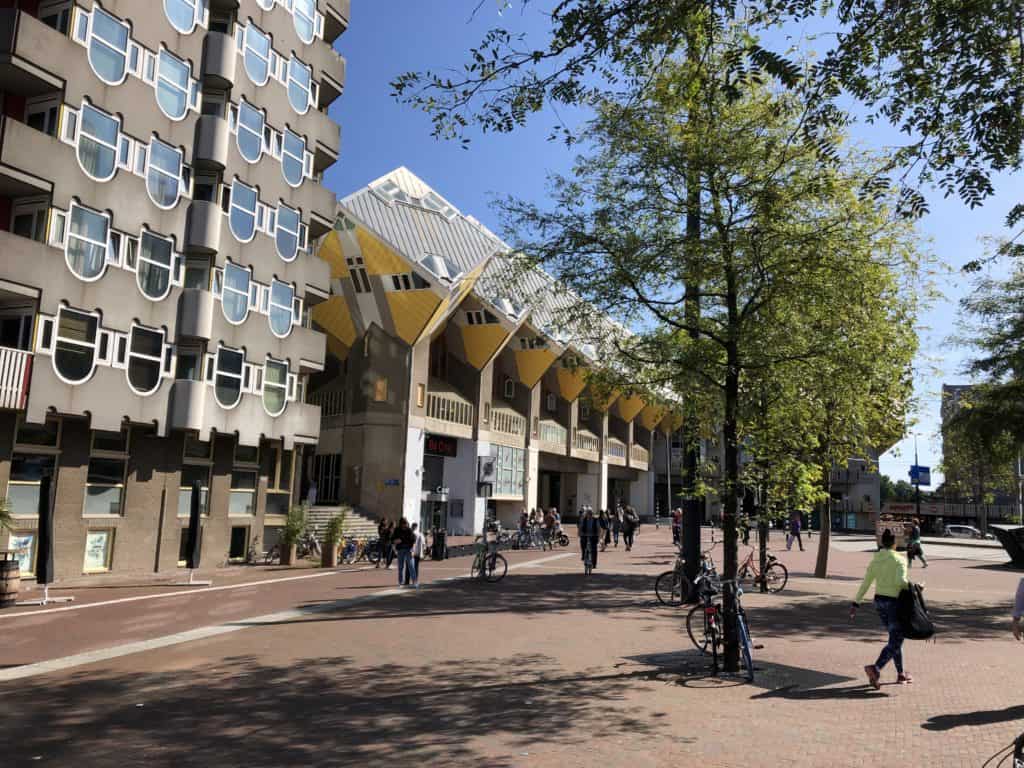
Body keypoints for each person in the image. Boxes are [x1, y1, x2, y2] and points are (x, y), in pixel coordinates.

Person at [850, 529, 911, 688]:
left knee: (895, 638)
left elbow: (866, 582)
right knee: (896, 641)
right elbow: (900, 581)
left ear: (881, 543)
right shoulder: (899, 559)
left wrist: (856, 602)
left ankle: (901, 674)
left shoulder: (875, 559)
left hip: (879, 602)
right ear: (895, 543)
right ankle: (875, 669)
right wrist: (914, 587)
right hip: (894, 604)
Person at [392, 518, 415, 586]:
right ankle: (400, 581)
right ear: (400, 524)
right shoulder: (397, 530)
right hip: (400, 549)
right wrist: (395, 541)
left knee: (411, 565)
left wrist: (412, 549)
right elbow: (392, 539)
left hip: (408, 549)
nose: (404, 526)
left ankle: (414, 581)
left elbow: (413, 539)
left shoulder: (409, 530)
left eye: (405, 525)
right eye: (403, 525)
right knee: (400, 567)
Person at [410, 523, 426, 589]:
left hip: (411, 552)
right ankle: (415, 579)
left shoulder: (411, 533)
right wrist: (423, 551)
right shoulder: (420, 534)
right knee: (415, 566)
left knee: (410, 566)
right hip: (417, 552)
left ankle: (409, 580)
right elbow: (423, 543)